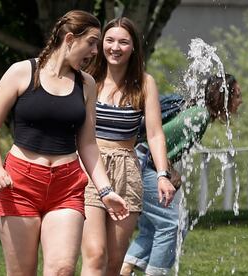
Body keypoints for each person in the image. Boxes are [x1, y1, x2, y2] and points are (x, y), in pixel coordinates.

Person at [0, 10, 129, 276]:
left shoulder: (86, 84)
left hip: (66, 184)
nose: (96, 51)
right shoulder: (22, 72)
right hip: (20, 184)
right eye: (92, 42)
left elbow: (88, 144)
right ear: (70, 38)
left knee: (62, 269)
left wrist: (106, 191)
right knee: (22, 272)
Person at [81, 17, 176, 276]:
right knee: (95, 254)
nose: (115, 47)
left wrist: (162, 174)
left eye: (123, 42)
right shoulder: (88, 79)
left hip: (127, 169)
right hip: (90, 168)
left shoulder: (145, 84)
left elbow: (155, 135)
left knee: (114, 261)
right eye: (109, 40)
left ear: (133, 47)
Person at [121, 74, 242, 275]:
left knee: (153, 227)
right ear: (224, 97)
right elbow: (155, 144)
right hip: (145, 164)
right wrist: (170, 171)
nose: (240, 101)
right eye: (237, 95)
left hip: (141, 163)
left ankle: (124, 269)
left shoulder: (199, 114)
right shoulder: (199, 116)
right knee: (173, 224)